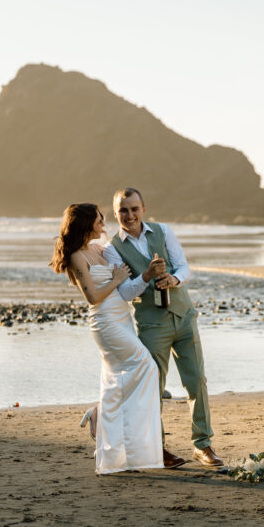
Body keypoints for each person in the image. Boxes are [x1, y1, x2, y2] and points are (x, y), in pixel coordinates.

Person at [103, 187, 224, 468]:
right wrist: (145, 276)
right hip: (151, 325)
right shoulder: (111, 249)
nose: (129, 215)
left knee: (197, 382)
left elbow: (184, 267)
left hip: (184, 316)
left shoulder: (163, 231)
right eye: (123, 210)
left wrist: (174, 280)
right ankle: (157, 448)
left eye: (134, 209)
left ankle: (203, 445)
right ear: (116, 213)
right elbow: (123, 293)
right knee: (153, 389)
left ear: (143, 208)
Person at [49, 203, 170, 474]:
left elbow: (125, 268)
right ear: (86, 224)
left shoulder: (99, 247)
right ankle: (101, 416)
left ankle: (116, 440)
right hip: (105, 322)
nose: (104, 223)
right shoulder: (77, 256)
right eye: (99, 220)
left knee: (121, 379)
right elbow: (92, 297)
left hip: (122, 318)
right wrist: (116, 279)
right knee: (147, 367)